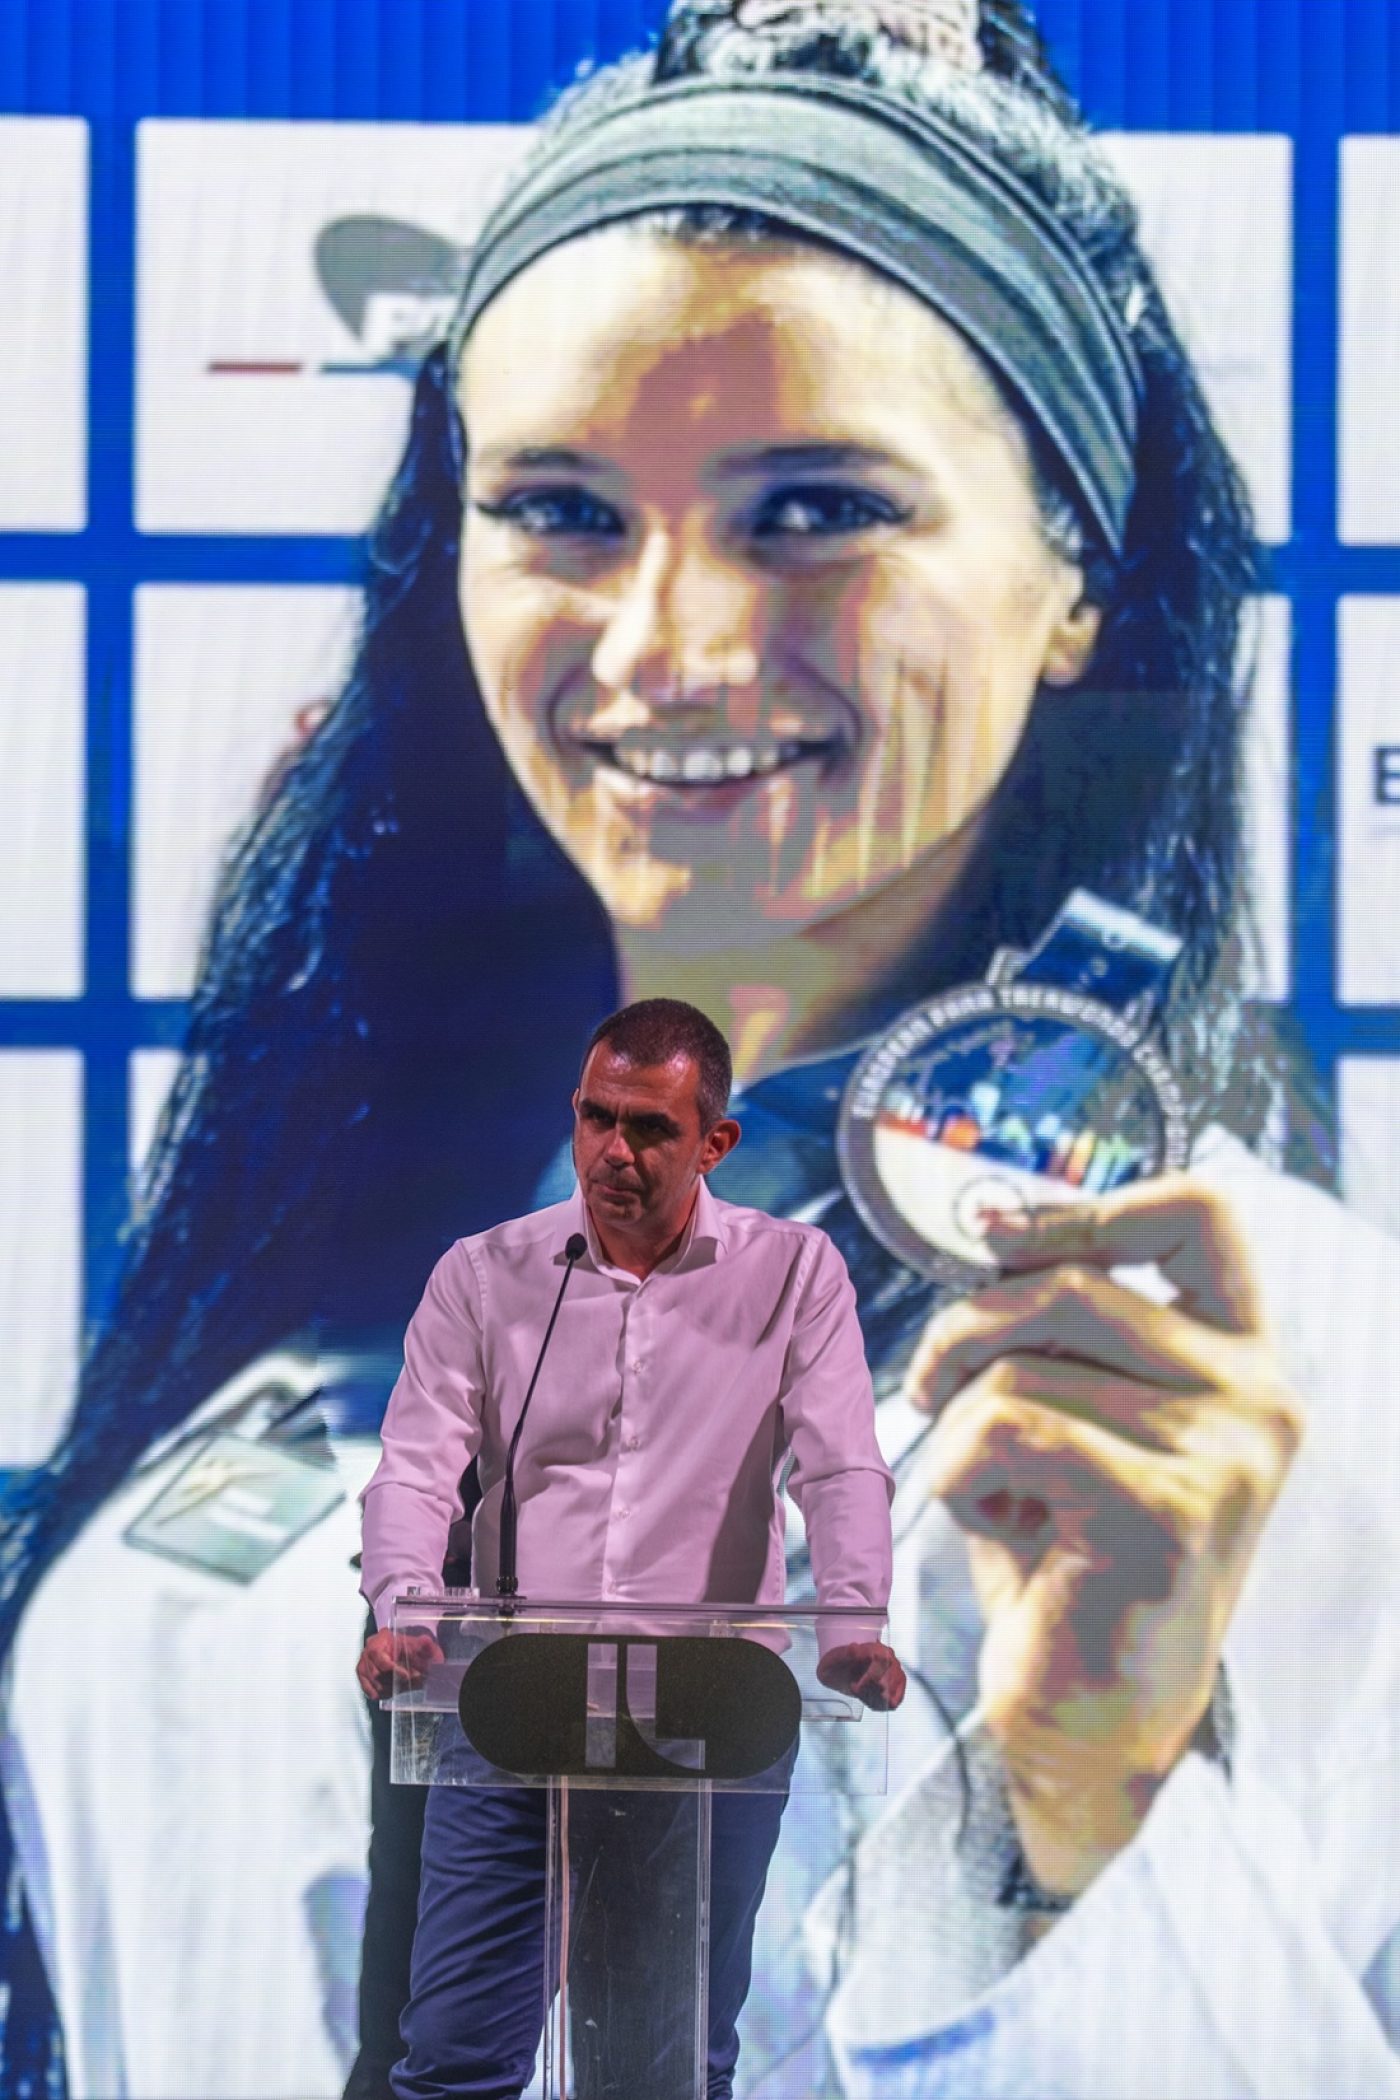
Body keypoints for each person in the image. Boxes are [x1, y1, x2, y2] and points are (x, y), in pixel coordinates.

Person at [0, 0, 1396, 2093]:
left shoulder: (1273, 1380)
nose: (672, 642)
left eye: (815, 507)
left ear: (1075, 579)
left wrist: (1069, 1810)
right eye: (560, 511)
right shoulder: (353, 1205)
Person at [356, 995, 904, 2097]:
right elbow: (415, 1466)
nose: (614, 1150)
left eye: (650, 1128)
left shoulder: (793, 1273)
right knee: (453, 2059)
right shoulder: (485, 1274)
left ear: (714, 1142)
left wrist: (852, 1623)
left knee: (666, 2070)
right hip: (513, 1697)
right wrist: (403, 1608)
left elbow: (839, 1464)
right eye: (596, 1118)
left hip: (705, 1706)